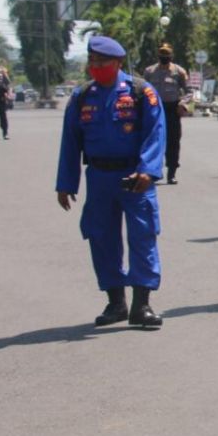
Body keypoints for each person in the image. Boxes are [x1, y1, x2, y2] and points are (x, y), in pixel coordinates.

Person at [55, 36, 166, 328]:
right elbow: (70, 142)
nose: (96, 67)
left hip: (134, 176)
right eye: (92, 62)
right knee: (101, 237)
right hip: (100, 176)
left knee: (143, 236)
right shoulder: (82, 97)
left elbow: (155, 133)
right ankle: (116, 302)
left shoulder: (141, 92)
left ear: (117, 63)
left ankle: (141, 305)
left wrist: (147, 171)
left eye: (102, 63)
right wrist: (66, 183)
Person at [143, 42, 190, 184]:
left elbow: (189, 91)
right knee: (154, 141)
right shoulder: (149, 71)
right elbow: (143, 90)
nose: (164, 56)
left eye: (167, 54)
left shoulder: (179, 71)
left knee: (173, 142)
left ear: (171, 55)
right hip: (154, 110)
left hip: (172, 109)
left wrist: (183, 103)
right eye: (162, 54)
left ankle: (172, 172)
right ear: (158, 55)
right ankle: (154, 171)